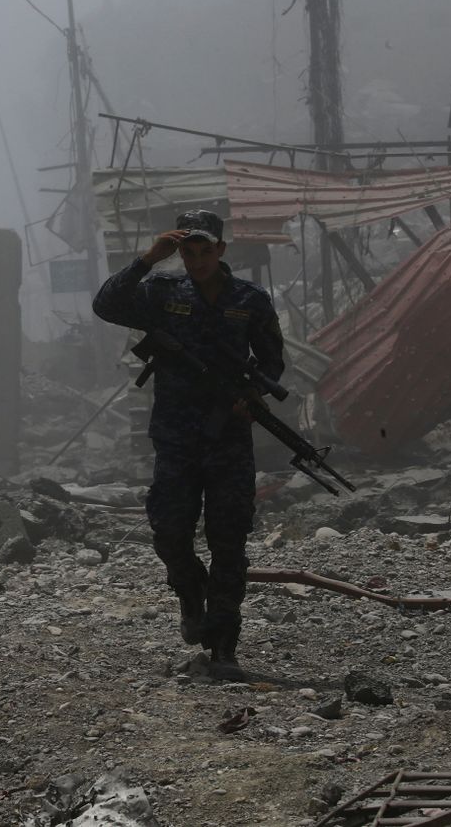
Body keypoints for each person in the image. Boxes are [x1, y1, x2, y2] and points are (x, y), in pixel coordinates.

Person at [91, 209, 284, 674]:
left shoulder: (250, 298)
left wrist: (251, 394)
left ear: (220, 250)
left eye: (204, 250)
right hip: (176, 436)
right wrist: (147, 258)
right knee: (170, 531)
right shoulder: (161, 292)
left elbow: (273, 361)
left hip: (229, 439)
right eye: (187, 251)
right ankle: (190, 589)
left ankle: (223, 644)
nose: (196, 259)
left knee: (229, 540)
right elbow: (106, 305)